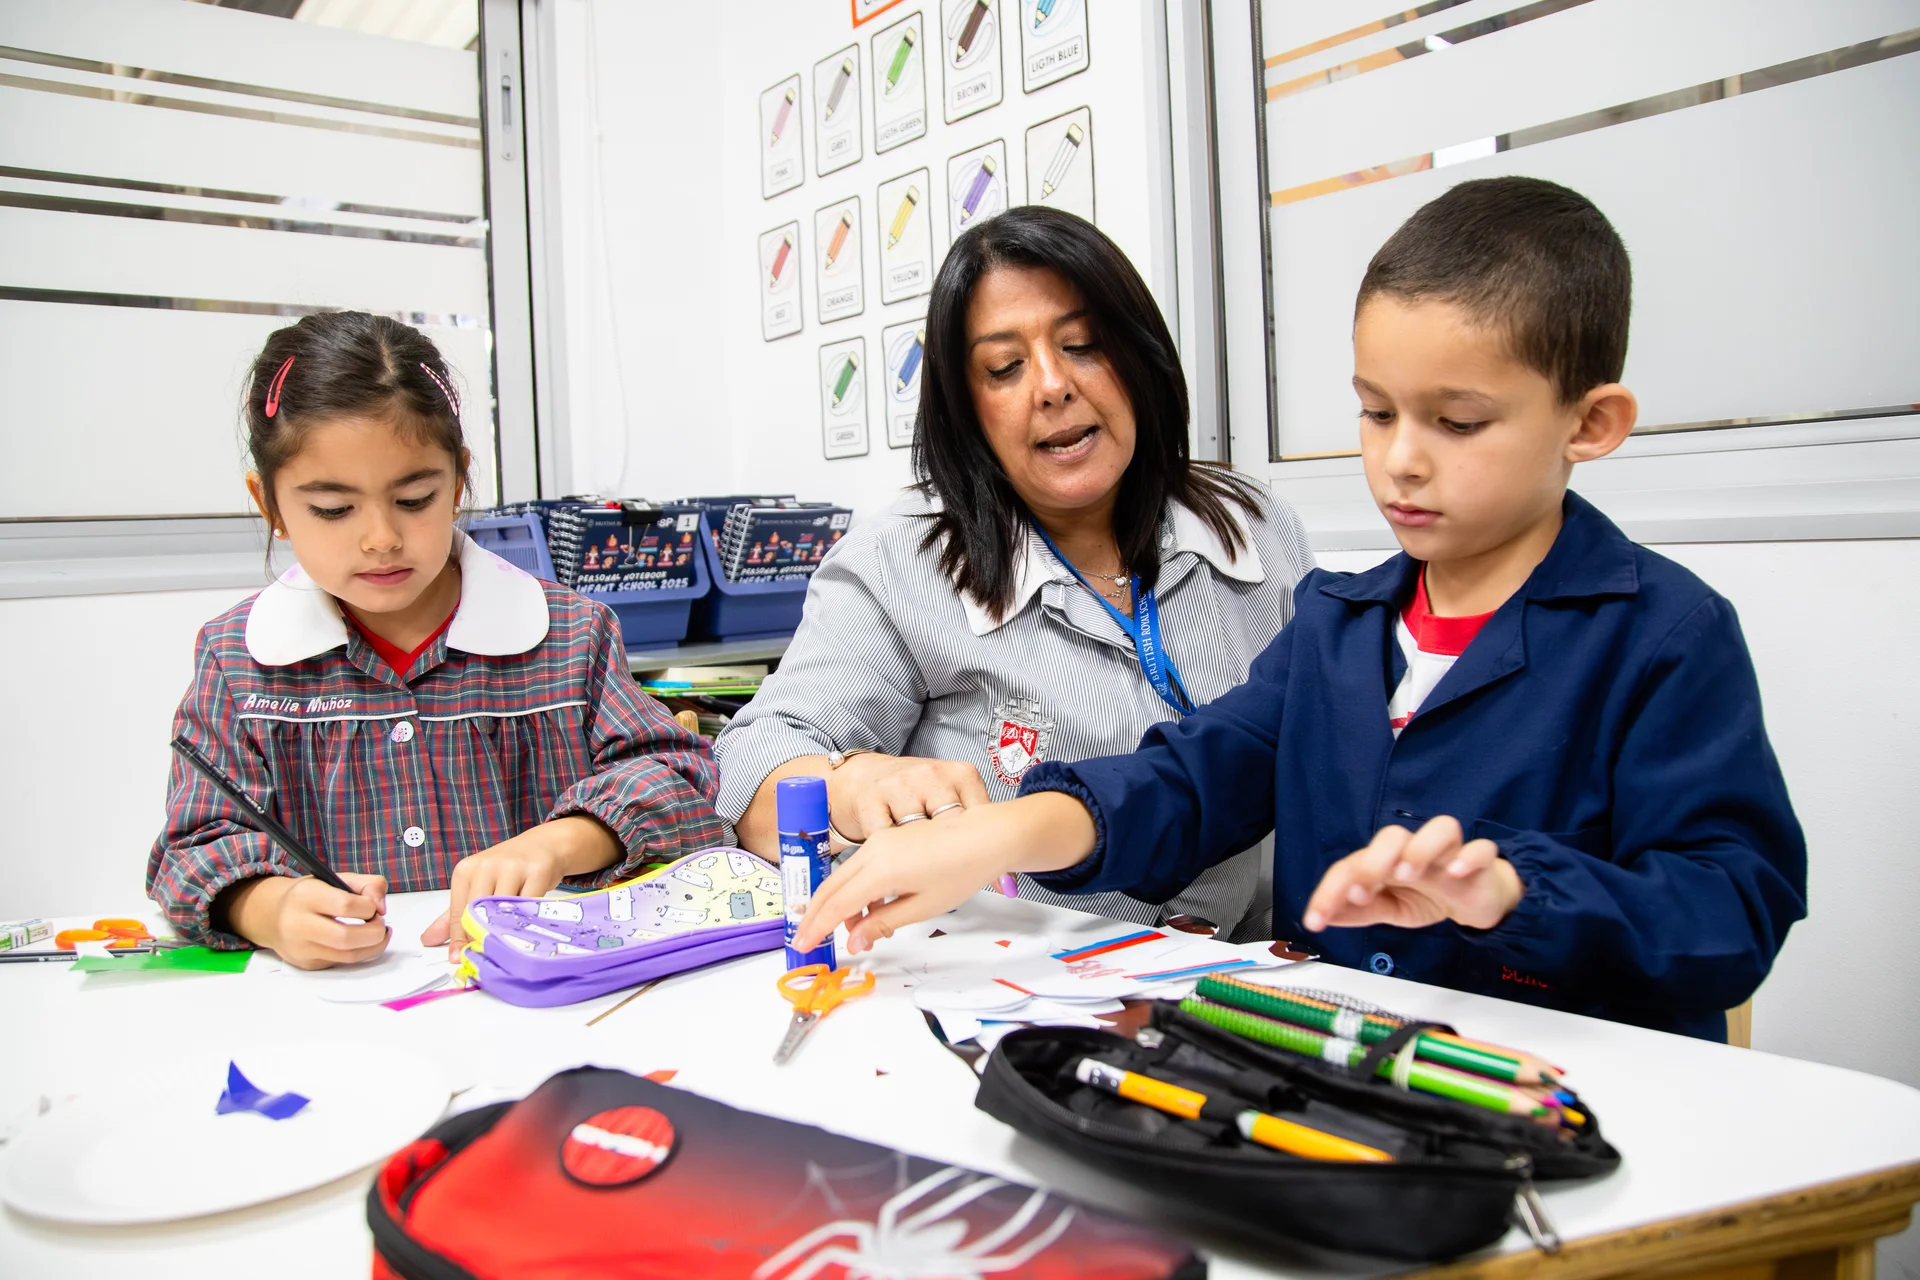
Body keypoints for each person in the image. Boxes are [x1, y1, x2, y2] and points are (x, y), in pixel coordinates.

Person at [795, 178, 1808, 1040]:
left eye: (1456, 421)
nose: (1400, 457)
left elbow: (1732, 907)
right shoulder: (1337, 628)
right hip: (1345, 1089)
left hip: (1563, 1104)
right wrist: (998, 834)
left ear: (1591, 423)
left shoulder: (1665, 635)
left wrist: (1517, 892)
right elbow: (1188, 781)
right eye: (1375, 412)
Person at [716, 206, 1314, 939]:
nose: (1053, 385)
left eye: (1084, 345)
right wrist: (850, 783)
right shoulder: (900, 561)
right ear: (967, 409)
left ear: (1141, 357)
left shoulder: (1254, 524)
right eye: (1005, 368)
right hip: (1009, 990)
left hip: (1229, 979)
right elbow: (750, 759)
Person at [149, 312, 724, 969]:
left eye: (415, 498)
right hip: (339, 1021)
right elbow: (191, 849)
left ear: (458, 481)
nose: (381, 538)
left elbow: (679, 777)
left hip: (539, 996)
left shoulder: (569, 635)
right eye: (334, 509)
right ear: (270, 506)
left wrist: (561, 842)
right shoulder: (239, 661)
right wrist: (271, 909)